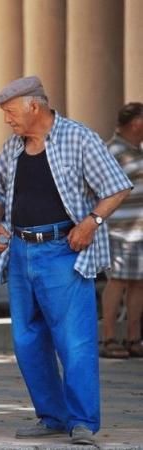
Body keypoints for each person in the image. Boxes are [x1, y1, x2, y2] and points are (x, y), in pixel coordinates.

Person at [0, 76, 132, 445]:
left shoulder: (78, 137)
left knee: (75, 341)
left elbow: (117, 185)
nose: (6, 120)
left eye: (9, 112)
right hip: (20, 251)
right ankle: (51, 416)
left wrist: (91, 222)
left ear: (33, 106)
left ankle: (82, 421)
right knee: (27, 340)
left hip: (62, 250)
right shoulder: (12, 147)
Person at [100, 102, 143, 358]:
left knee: (139, 284)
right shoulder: (112, 151)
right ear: (136, 123)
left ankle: (133, 339)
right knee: (117, 282)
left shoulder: (137, 151)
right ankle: (108, 339)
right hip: (118, 230)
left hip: (139, 231)